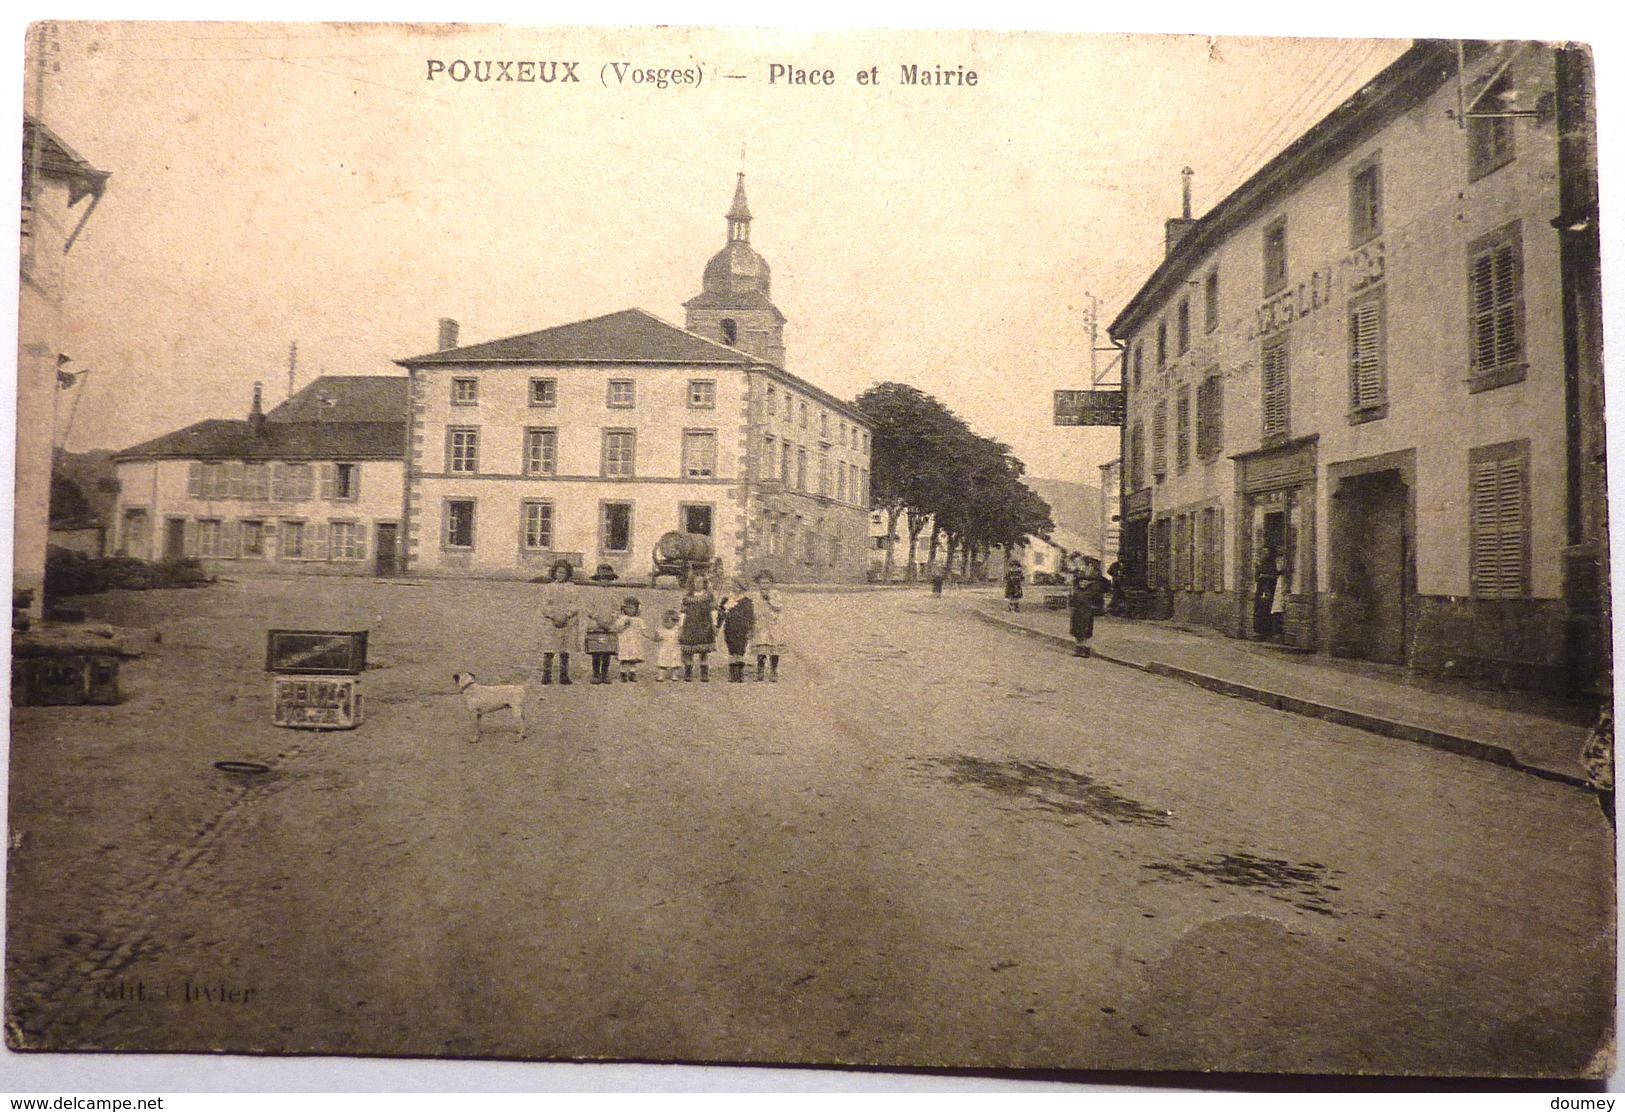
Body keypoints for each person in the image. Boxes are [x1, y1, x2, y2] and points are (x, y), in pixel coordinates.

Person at [537, 559, 580, 685]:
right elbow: (544, 604)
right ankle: (546, 675)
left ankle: (564, 675)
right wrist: (552, 615)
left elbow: (575, 604)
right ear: (554, 573)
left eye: (564, 572)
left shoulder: (572, 588)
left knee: (565, 649)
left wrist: (567, 615)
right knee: (549, 648)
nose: (561, 574)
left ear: (568, 574)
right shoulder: (548, 588)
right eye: (558, 572)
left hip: (567, 622)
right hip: (552, 622)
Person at [679, 574, 717, 682]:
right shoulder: (687, 597)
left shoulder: (709, 596)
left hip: (705, 626)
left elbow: (713, 611)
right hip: (690, 626)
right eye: (696, 582)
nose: (698, 584)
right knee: (689, 651)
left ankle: (704, 674)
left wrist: (714, 625)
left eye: (701, 582)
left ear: (704, 583)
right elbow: (683, 613)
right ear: (692, 583)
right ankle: (688, 673)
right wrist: (681, 627)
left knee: (703, 652)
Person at [719, 576, 756, 683]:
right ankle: (732, 673)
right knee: (732, 650)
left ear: (741, 588)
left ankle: (739, 674)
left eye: (737, 585)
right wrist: (718, 625)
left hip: (742, 630)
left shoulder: (746, 601)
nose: (734, 587)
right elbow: (721, 615)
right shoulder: (726, 600)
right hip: (730, 629)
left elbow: (750, 617)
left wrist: (751, 629)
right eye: (732, 585)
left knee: (740, 651)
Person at [751, 570, 784, 682]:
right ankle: (760, 671)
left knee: (773, 648)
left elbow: (778, 606)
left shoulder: (775, 594)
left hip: (772, 624)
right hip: (761, 624)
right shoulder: (755, 595)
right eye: (761, 583)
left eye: (766, 583)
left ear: (770, 583)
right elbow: (754, 609)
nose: (764, 585)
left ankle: (773, 670)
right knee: (761, 647)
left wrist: (769, 599)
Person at [1070, 557, 1106, 657]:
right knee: (1077, 630)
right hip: (1078, 609)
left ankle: (1085, 649)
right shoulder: (1081, 578)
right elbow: (1074, 594)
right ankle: (1079, 649)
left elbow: (1098, 596)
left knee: (1086, 630)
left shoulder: (1095, 580)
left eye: (1084, 565)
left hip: (1087, 609)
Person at [583, 597, 620, 685]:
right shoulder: (593, 595)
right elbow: (589, 609)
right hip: (596, 626)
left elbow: (617, 610)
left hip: (609, 627)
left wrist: (611, 620)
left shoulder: (613, 596)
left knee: (607, 652)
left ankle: (605, 674)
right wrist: (598, 620)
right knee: (596, 652)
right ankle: (596, 674)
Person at [613, 596, 648, 683]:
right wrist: (625, 625)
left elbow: (643, 631)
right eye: (626, 607)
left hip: (634, 642)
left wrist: (650, 636)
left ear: (636, 609)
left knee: (633, 659)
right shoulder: (622, 618)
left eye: (631, 608)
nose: (628, 610)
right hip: (624, 641)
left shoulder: (639, 620)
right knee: (624, 659)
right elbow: (618, 630)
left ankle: (632, 673)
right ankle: (623, 673)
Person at [1253, 545, 1280, 642]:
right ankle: (1259, 631)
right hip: (1261, 590)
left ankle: (1266, 632)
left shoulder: (1272, 564)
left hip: (1269, 589)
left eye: (1266, 552)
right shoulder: (1261, 564)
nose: (1264, 554)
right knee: (1260, 610)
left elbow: (1275, 576)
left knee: (1267, 609)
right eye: (1263, 552)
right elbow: (1256, 577)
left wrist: (1265, 576)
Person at [652, 609, 683, 682]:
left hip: (675, 648)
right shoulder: (662, 630)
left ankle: (674, 675)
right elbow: (658, 639)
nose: (665, 624)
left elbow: (680, 638)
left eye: (668, 621)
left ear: (675, 622)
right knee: (663, 661)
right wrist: (656, 634)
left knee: (675, 661)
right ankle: (661, 675)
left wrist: (681, 634)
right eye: (664, 621)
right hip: (664, 648)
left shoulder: (677, 630)